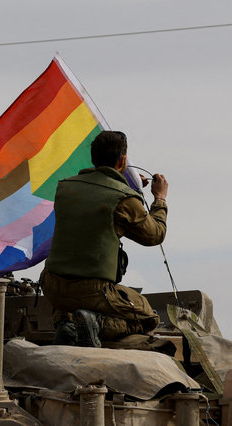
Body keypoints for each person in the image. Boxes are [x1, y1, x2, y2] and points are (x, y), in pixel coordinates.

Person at [41, 130, 169, 350]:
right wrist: (159, 199)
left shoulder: (66, 187)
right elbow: (154, 234)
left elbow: (96, 204)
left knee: (73, 305)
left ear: (93, 158)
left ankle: (67, 323)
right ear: (123, 160)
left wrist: (126, 187)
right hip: (93, 291)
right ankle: (97, 325)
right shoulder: (125, 200)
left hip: (53, 286)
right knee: (148, 317)